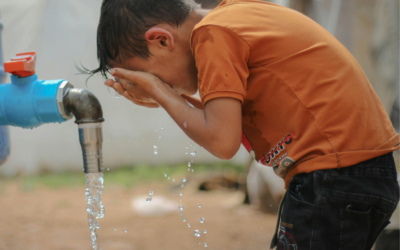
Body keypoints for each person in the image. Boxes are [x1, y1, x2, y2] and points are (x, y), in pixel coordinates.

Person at [84, 0, 400, 249]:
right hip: (357, 173)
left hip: (333, 178)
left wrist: (159, 92)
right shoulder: (234, 17)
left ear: (162, 41)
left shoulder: (212, 34)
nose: (158, 85)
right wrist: (162, 93)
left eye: (149, 75)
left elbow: (222, 141)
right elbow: (221, 123)